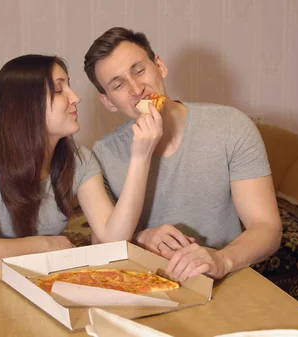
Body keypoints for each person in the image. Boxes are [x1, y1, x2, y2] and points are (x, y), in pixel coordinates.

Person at [0, 54, 163, 336]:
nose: (75, 97)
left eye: (70, 86)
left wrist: (141, 158)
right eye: (59, 89)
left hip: (49, 295)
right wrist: (47, 244)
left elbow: (114, 236)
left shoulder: (79, 159)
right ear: (26, 104)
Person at [84, 27, 282, 284]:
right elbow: (100, 240)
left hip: (226, 282)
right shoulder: (104, 153)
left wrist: (222, 260)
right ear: (109, 102)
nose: (137, 89)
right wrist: (140, 236)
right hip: (146, 284)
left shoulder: (231, 126)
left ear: (160, 67)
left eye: (139, 70)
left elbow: (267, 227)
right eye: (118, 84)